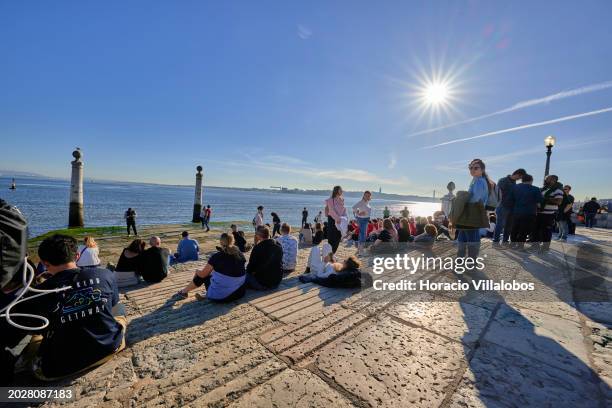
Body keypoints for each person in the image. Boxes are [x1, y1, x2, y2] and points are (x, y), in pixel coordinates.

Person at [0, 235, 126, 382]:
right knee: (119, 308)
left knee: (36, 337)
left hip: (58, 368)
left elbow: (15, 334)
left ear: (44, 263)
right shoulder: (105, 274)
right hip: (111, 346)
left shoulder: (37, 294)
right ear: (77, 255)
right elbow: (112, 305)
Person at [176, 233, 246, 302]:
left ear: (221, 242)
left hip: (223, 297)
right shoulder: (239, 253)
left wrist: (197, 272)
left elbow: (203, 274)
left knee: (202, 275)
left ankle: (183, 292)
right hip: (239, 292)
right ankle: (205, 294)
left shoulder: (217, 256)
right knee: (215, 275)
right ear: (233, 241)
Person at [453, 159, 492, 264]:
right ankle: (463, 260)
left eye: (476, 168)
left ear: (482, 169)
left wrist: (462, 198)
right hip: (470, 213)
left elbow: (475, 199)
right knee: (465, 235)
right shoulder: (476, 180)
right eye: (470, 168)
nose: (472, 170)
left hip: (472, 213)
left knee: (469, 237)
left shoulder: (479, 181)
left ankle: (468, 261)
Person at [493, 169, 527, 246]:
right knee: (500, 225)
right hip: (503, 206)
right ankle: (495, 242)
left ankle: (505, 242)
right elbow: (497, 193)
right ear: (517, 174)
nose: (520, 179)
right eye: (520, 177)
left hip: (512, 207)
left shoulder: (515, 183)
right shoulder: (503, 180)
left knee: (509, 226)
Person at [509, 174, 542, 250]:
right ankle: (520, 246)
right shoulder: (536, 189)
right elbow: (539, 202)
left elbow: (511, 199)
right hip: (529, 213)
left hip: (516, 211)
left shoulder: (515, 187)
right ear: (531, 181)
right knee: (524, 230)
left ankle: (512, 244)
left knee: (514, 228)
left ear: (522, 180)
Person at [246, 226, 283, 290]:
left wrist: (256, 244)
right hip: (277, 281)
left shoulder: (257, 248)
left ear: (258, 236)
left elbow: (250, 268)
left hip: (263, 283)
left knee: (244, 274)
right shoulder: (278, 244)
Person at [533, 175, 564, 252]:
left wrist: (545, 199)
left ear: (553, 180)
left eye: (547, 179)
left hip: (549, 215)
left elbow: (559, 202)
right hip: (540, 213)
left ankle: (545, 248)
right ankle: (535, 245)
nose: (545, 180)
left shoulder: (558, 190)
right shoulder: (545, 189)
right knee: (536, 230)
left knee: (546, 232)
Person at [324, 186, 347, 253]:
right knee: (331, 237)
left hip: (340, 220)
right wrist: (337, 218)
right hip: (332, 219)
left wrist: (345, 218)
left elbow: (343, 210)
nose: (342, 191)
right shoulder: (330, 200)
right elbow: (331, 210)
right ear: (336, 191)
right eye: (340, 190)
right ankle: (329, 254)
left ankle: (332, 253)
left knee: (338, 236)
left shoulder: (342, 199)